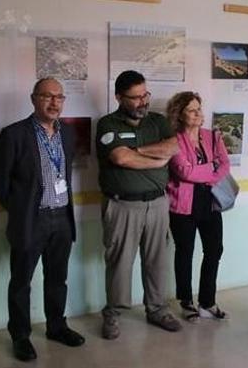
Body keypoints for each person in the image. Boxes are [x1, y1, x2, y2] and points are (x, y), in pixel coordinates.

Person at [0, 78, 84, 361]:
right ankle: (20, 336)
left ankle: (56, 326)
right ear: (33, 99)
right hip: (31, 219)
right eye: (47, 96)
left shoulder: (67, 134)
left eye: (59, 97)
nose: (54, 102)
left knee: (58, 278)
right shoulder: (14, 134)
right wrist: (21, 209)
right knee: (21, 281)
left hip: (62, 219)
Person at [96, 70, 181, 339]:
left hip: (157, 204)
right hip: (122, 206)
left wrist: (140, 151)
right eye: (135, 98)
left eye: (145, 94)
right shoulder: (108, 124)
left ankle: (156, 309)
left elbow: (174, 147)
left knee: (157, 260)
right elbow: (121, 158)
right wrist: (154, 158)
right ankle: (113, 313)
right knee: (119, 264)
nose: (143, 101)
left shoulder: (157, 121)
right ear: (119, 97)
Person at [165, 91, 231, 322]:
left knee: (214, 250)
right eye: (192, 110)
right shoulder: (174, 140)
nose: (198, 114)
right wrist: (209, 170)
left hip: (210, 202)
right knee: (185, 253)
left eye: (199, 109)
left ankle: (207, 302)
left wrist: (206, 175)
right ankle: (186, 302)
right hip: (183, 206)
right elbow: (183, 171)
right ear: (180, 115)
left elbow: (224, 165)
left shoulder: (212, 136)